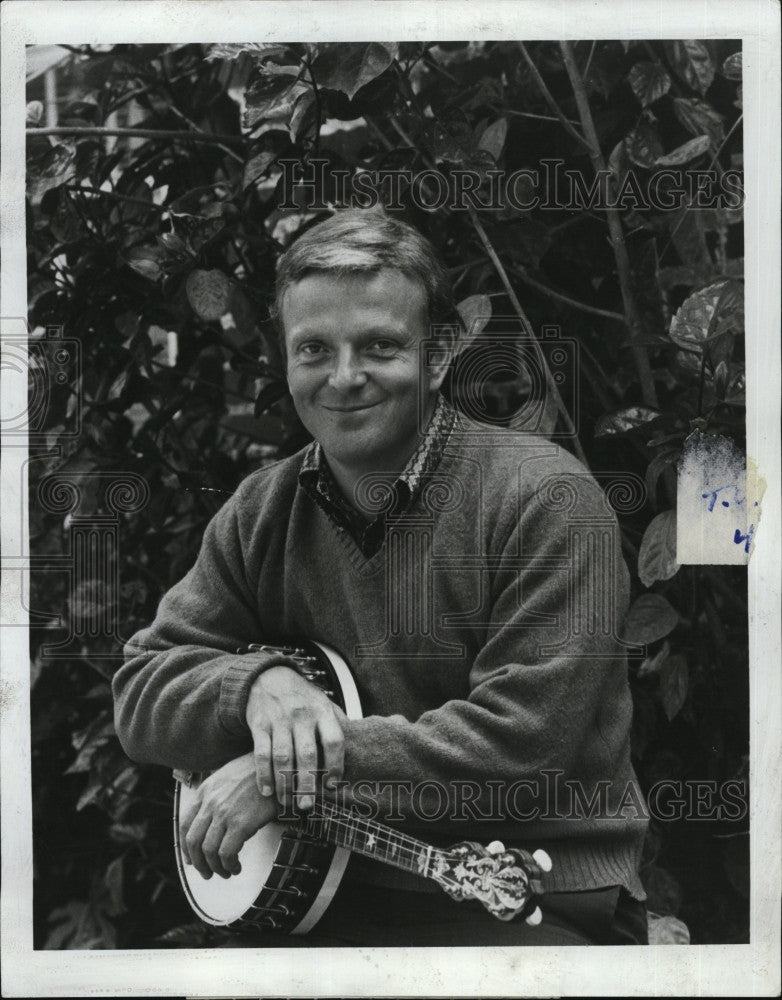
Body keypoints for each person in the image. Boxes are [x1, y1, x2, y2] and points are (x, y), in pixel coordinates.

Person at [113, 208, 649, 946]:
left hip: (529, 891)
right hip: (317, 887)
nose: (343, 377)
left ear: (438, 356)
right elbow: (141, 688)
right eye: (313, 350)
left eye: (379, 346)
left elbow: (519, 747)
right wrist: (257, 686)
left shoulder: (547, 500)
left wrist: (282, 776)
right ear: (286, 360)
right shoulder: (262, 510)